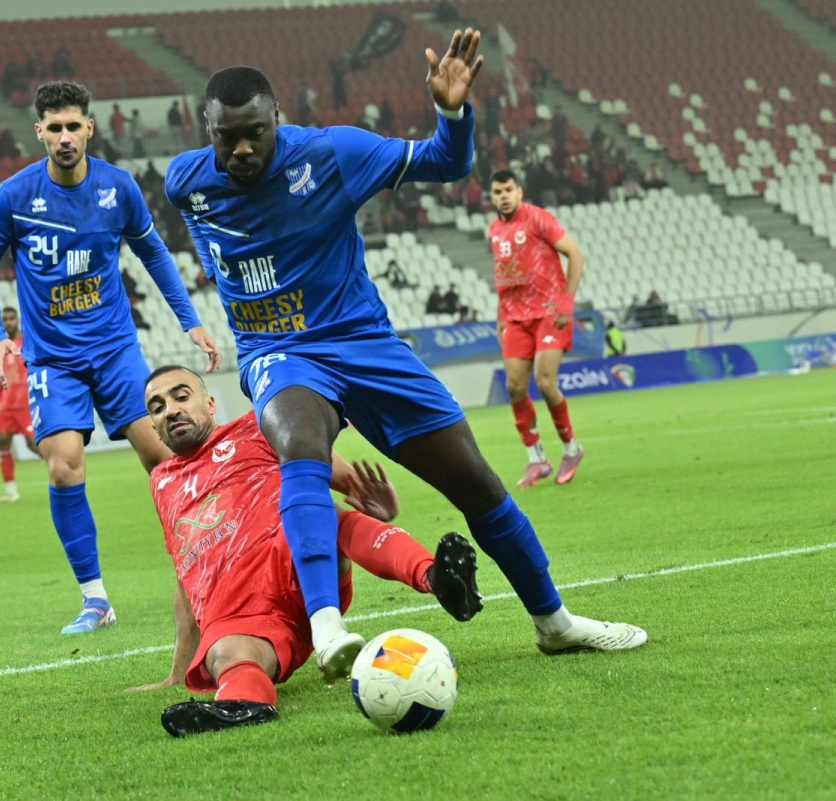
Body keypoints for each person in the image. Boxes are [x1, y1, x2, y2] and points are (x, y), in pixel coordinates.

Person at [164, 32, 645, 681]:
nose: (242, 149)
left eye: (255, 132)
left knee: (475, 482)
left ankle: (554, 622)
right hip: (277, 349)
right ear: (208, 130)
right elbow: (203, 230)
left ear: (278, 117)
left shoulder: (332, 153)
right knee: (300, 443)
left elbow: (446, 162)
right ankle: (328, 626)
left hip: (364, 342)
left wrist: (451, 111)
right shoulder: (185, 180)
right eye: (228, 138)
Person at [0, 80, 220, 635]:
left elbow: (154, 253)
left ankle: (210, 568)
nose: (64, 137)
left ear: (89, 128)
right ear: (39, 132)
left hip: (115, 349)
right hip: (52, 360)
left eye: (72, 126)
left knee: (166, 459)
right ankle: (95, 599)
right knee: (62, 465)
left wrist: (191, 320)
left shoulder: (118, 188)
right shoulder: (13, 196)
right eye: (54, 128)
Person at [134, 366, 480, 737]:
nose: (171, 410)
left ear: (210, 403)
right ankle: (241, 704)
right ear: (153, 426)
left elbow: (346, 483)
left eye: (181, 396)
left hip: (299, 565)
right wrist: (178, 670)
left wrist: (368, 499)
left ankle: (436, 578)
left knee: (323, 516)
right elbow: (188, 573)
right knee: (226, 654)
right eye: (158, 407)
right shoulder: (162, 483)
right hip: (239, 614)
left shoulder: (259, 426)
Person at [488, 169, 586, 487]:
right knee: (515, 387)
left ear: (519, 191)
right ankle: (537, 459)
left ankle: (571, 449)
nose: (503, 196)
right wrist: (501, 317)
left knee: (545, 382)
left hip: (549, 312)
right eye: (497, 192)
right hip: (516, 317)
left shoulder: (538, 218)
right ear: (492, 197)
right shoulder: (494, 230)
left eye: (508, 190)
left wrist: (567, 303)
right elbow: (504, 276)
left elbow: (575, 255)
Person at [0, 307, 40, 504]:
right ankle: (11, 491)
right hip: (6, 405)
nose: (8, 322)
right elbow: (0, 377)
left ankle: (61, 472)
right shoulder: (1, 348)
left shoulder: (27, 343)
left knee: (33, 444)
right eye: (5, 319)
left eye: (11, 318)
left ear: (17, 320)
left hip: (25, 404)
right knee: (2, 442)